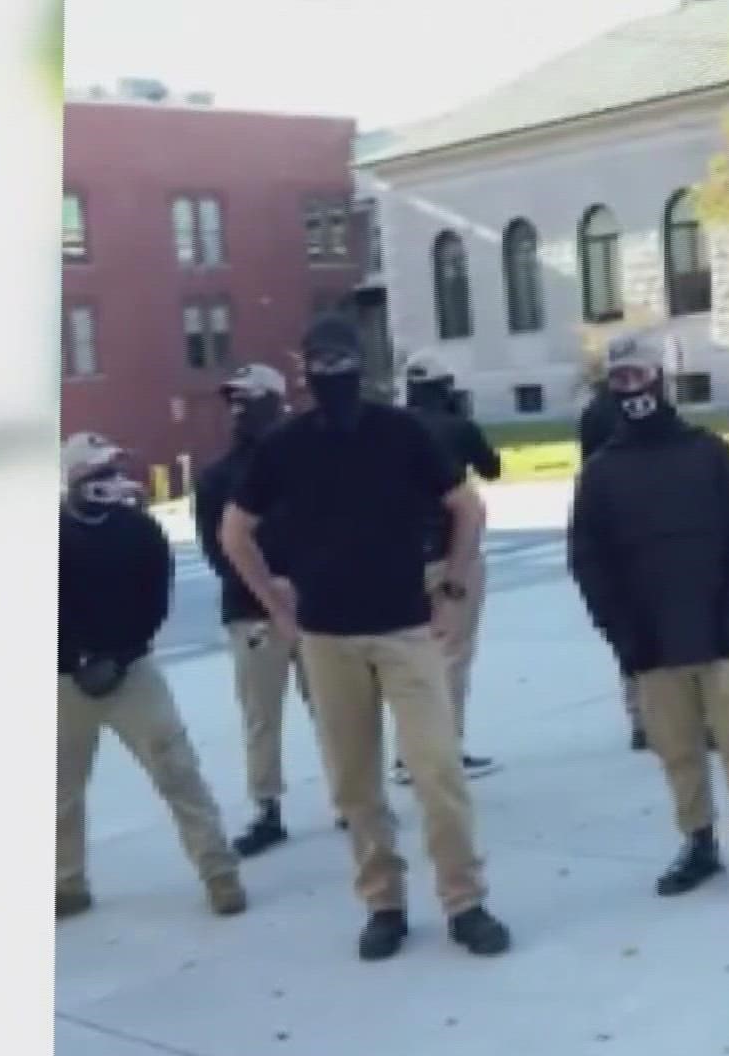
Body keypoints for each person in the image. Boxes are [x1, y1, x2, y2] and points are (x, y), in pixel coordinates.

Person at [219, 315, 511, 961]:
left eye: (340, 360)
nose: (331, 373)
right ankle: (383, 902)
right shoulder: (285, 447)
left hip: (406, 629)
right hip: (327, 639)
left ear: (361, 363)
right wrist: (276, 605)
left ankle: (465, 900)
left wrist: (454, 587)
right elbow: (235, 532)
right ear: (304, 370)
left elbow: (468, 505)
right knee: (355, 786)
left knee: (438, 772)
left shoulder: (400, 431)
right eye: (318, 361)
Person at [569, 335, 729, 901]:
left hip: (721, 631)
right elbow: (590, 561)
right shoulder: (601, 473)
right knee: (677, 749)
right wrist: (622, 633)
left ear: (661, 380)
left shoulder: (709, 452)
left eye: (639, 376)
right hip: (653, 640)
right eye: (619, 381)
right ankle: (698, 841)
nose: (631, 389)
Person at [57, 432, 246, 918]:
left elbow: (153, 602)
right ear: (74, 480)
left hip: (131, 670)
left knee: (177, 769)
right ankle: (66, 883)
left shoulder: (139, 530)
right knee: (60, 791)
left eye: (113, 471)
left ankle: (218, 871)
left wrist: (118, 657)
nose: (111, 481)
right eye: (98, 473)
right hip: (64, 678)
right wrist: (76, 658)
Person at [191, 364, 310, 859]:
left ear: (276, 400)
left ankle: (354, 798)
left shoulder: (310, 459)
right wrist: (269, 590)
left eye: (249, 398)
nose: (238, 409)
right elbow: (218, 551)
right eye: (232, 399)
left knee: (336, 709)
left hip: (318, 608)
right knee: (261, 716)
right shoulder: (218, 476)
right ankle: (267, 809)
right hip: (251, 613)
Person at [393, 352, 502, 783]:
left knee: (406, 660)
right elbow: (492, 469)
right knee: (452, 656)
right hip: (452, 554)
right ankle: (444, 750)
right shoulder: (456, 428)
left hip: (400, 560)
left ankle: (406, 753)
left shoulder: (391, 428)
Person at [579, 350, 647, 752]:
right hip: (640, 525)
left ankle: (640, 716)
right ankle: (659, 715)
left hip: (615, 528)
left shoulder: (594, 413)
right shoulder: (636, 410)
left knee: (630, 626)